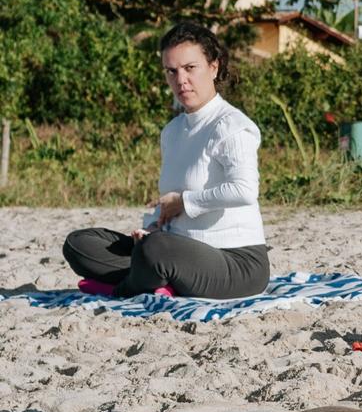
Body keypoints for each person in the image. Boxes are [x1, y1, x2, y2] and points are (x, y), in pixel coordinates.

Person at [62, 22, 269, 298]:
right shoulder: (172, 132)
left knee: (156, 251)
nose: (180, 79)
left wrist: (184, 202)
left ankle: (127, 287)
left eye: (190, 68)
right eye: (172, 71)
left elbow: (244, 191)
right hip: (176, 249)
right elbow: (170, 208)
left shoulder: (231, 125)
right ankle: (152, 277)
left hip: (236, 262)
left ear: (214, 67)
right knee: (79, 244)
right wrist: (152, 226)